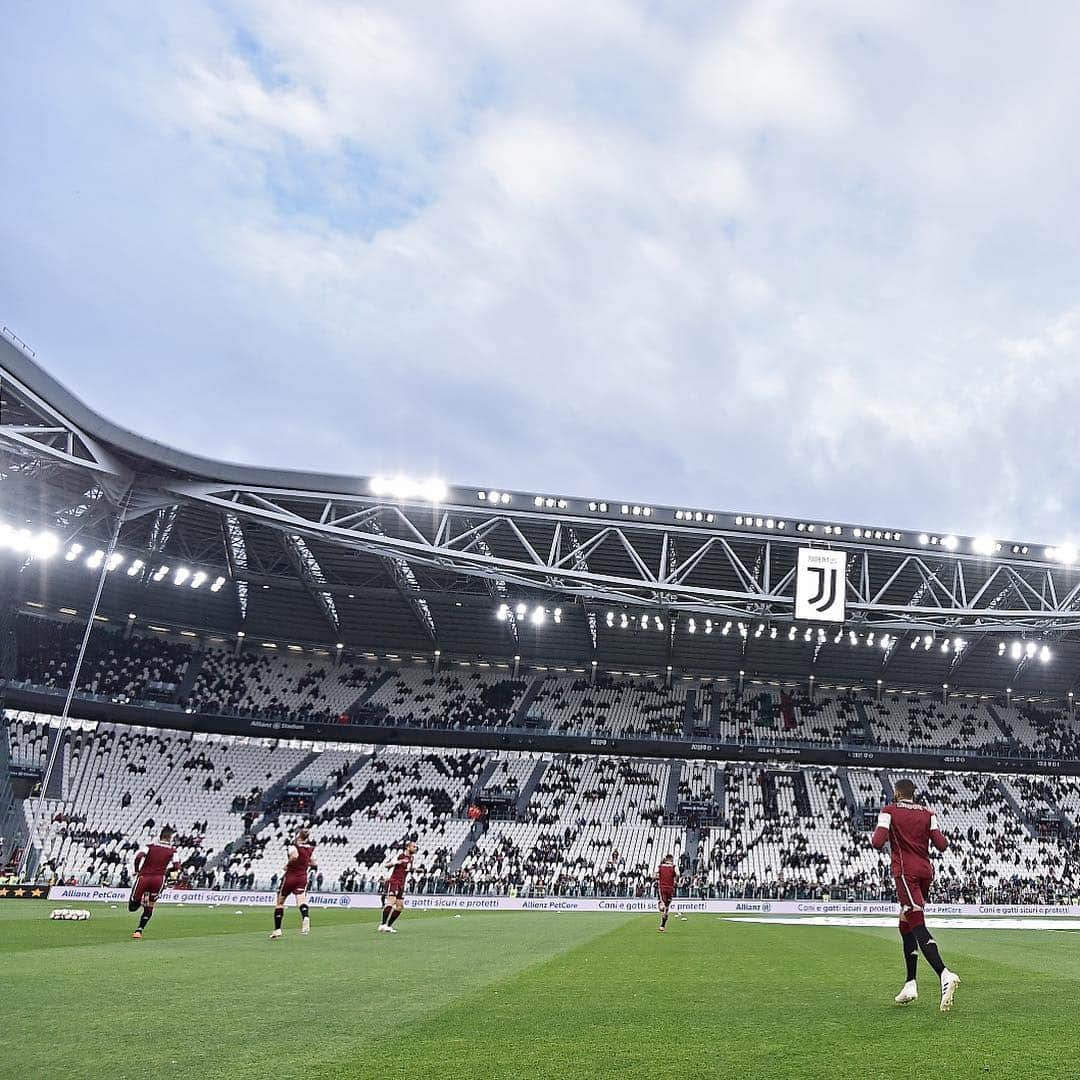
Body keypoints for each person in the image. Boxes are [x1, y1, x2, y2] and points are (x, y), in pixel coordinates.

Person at [871, 778, 961, 1012]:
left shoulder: (889, 810)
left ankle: (944, 974)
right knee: (905, 923)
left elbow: (877, 842)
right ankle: (910, 983)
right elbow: (941, 844)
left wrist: (890, 830)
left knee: (916, 922)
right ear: (913, 794)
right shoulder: (928, 813)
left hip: (905, 872)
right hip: (925, 872)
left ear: (897, 794)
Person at [129, 826, 182, 939]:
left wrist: (137, 870)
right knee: (151, 905)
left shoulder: (150, 847)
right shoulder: (173, 851)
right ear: (170, 838)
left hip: (144, 877)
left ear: (160, 836)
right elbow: (177, 866)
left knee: (132, 907)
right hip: (159, 880)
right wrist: (168, 871)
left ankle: (140, 902)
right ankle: (139, 931)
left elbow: (138, 857)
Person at [270, 828, 316, 940]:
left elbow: (294, 856)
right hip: (302, 877)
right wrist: (304, 864)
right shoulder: (310, 848)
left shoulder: (293, 846)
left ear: (298, 836)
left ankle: (277, 930)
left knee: (280, 902)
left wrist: (288, 865)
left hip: (291, 877)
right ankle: (305, 917)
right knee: (301, 899)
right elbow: (313, 862)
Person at [378, 841, 417, 934]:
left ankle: (388, 926)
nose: (415, 848)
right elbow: (387, 865)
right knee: (391, 902)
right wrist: (397, 862)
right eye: (414, 846)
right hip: (394, 882)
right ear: (408, 847)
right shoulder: (400, 856)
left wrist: (415, 869)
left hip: (402, 884)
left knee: (400, 906)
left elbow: (407, 869)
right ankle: (382, 925)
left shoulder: (411, 858)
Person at [657, 853, 677, 932]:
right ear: (671, 860)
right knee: (667, 908)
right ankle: (662, 926)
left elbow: (654, 875)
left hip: (663, 888)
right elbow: (678, 873)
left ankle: (662, 907)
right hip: (671, 889)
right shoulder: (674, 867)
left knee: (662, 905)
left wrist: (660, 877)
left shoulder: (661, 867)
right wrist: (675, 880)